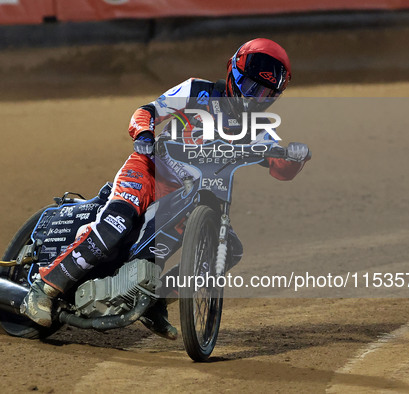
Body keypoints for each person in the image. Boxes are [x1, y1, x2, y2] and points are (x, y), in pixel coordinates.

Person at [20, 38, 311, 339]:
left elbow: (281, 167)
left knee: (231, 250)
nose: (254, 98)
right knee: (116, 224)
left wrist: (295, 157)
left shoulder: (259, 127)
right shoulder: (196, 91)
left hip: (191, 195)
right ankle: (43, 289)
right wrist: (143, 132)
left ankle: (154, 300)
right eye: (251, 87)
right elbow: (146, 111)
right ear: (233, 74)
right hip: (148, 170)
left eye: (264, 93)